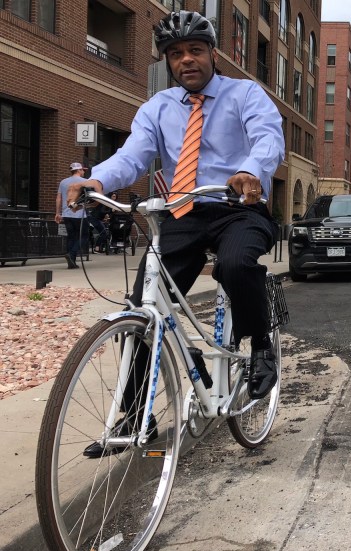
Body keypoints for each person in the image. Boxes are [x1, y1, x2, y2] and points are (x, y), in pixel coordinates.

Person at [68, 10, 285, 455]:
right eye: (176, 53)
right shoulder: (158, 108)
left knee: (235, 264)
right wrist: (98, 180)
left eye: (195, 50)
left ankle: (261, 346)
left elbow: (268, 139)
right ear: (167, 61)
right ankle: (135, 417)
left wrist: (250, 170)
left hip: (238, 207)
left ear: (212, 54)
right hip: (183, 212)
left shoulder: (245, 94)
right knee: (141, 309)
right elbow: (133, 155)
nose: (186, 59)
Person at [55, 162, 90, 269]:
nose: (83, 172)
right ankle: (71, 254)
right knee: (84, 236)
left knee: (71, 237)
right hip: (79, 214)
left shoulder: (63, 182)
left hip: (66, 214)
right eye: (82, 170)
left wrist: (58, 213)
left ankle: (72, 262)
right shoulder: (85, 182)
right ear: (78, 170)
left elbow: (59, 198)